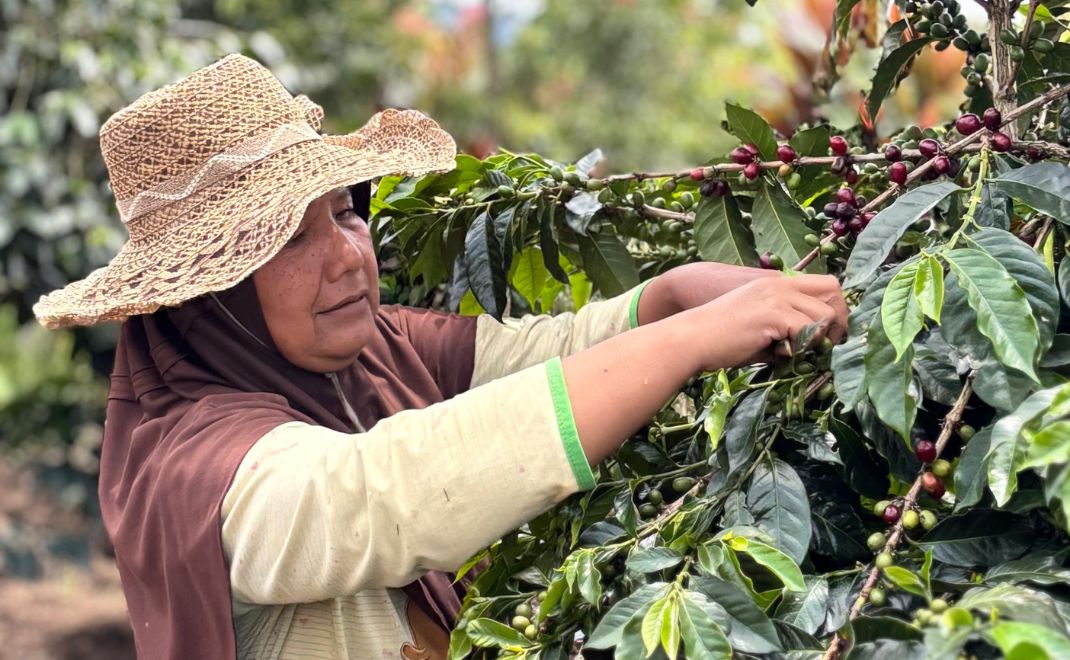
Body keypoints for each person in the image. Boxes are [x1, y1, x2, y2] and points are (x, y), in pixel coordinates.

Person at [33, 54, 847, 659]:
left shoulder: (362, 355)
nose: (349, 257)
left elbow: (537, 358)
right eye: (290, 238)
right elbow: (390, 495)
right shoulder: (198, 467)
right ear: (212, 294)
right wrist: (687, 340)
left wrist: (667, 297)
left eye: (343, 214)